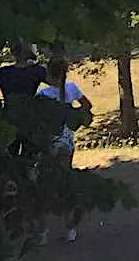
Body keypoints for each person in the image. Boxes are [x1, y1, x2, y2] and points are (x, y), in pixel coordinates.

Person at [36, 59, 93, 244]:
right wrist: (73, 117)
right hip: (66, 139)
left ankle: (42, 230)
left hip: (48, 139)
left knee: (46, 184)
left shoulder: (43, 93)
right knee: (64, 180)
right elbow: (87, 105)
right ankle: (69, 227)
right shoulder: (71, 88)